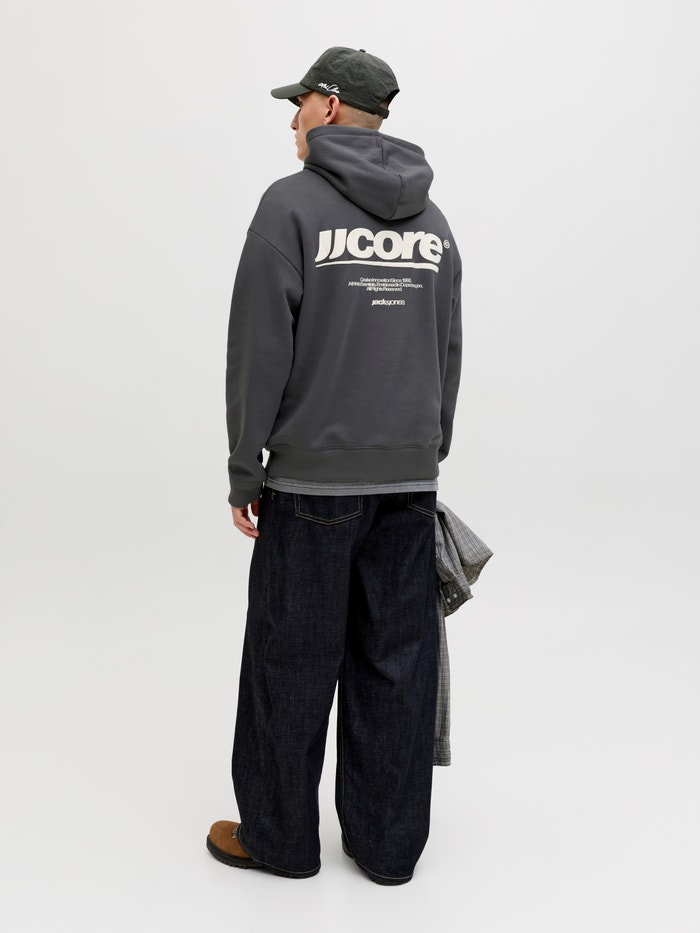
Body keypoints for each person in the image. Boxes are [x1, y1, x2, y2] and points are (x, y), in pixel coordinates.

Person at [206, 46, 463, 885]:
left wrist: (246, 468)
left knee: (290, 660)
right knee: (397, 665)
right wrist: (425, 453)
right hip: (408, 481)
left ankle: (279, 841)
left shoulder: (290, 206)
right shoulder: (434, 221)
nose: (292, 120)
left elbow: (257, 349)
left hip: (312, 484)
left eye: (298, 105)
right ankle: (388, 849)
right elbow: (448, 348)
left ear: (327, 103)